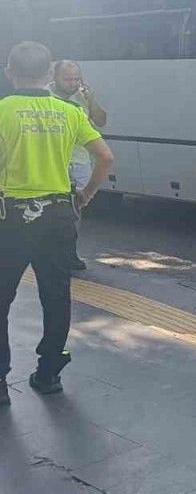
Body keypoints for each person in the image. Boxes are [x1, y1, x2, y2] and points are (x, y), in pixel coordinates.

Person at [0, 42, 113, 405]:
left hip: (11, 218)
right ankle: (49, 372)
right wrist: (86, 194)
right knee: (56, 295)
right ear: (49, 74)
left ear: (9, 73)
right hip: (58, 215)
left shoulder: (3, 111)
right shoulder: (69, 112)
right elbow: (105, 157)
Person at [50, 61, 108, 272]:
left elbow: (101, 121)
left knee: (75, 211)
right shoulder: (45, 95)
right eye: (68, 79)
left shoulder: (83, 96)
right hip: (55, 161)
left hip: (80, 162)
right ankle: (55, 252)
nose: (73, 84)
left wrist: (91, 101)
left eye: (77, 79)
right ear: (54, 77)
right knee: (54, 210)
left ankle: (69, 251)